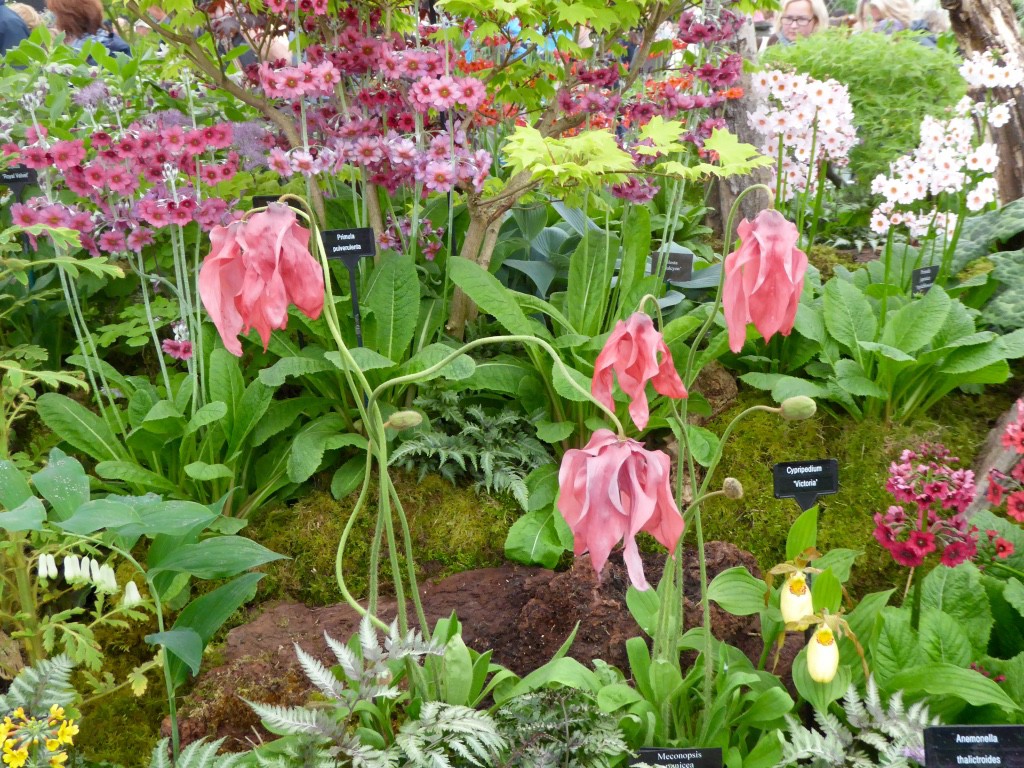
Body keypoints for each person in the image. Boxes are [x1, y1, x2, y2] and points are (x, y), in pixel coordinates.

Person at [47, 0, 130, 55]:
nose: (55, 20)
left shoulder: (84, 52)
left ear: (69, 16)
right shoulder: (111, 41)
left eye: (56, 14)